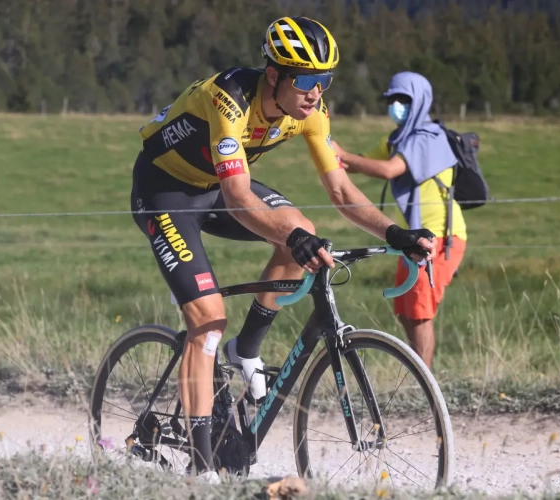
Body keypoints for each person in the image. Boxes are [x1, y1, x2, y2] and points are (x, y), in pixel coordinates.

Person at [130, 17, 436, 474]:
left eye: (325, 80)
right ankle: (203, 469)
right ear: (273, 74)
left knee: (301, 221)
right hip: (163, 192)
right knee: (209, 321)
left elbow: (342, 193)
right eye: (307, 80)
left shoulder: (311, 113)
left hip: (212, 185)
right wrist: (292, 239)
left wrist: (396, 234)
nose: (316, 92)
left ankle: (246, 349)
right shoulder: (228, 98)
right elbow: (238, 198)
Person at [330, 71, 467, 370]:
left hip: (440, 237)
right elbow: (356, 161)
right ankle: (421, 373)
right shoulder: (398, 139)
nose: (395, 105)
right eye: (391, 99)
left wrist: (342, 155)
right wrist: (328, 147)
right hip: (416, 237)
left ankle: (425, 380)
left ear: (420, 101)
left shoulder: (426, 138)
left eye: (402, 99)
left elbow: (389, 170)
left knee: (419, 311)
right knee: (406, 310)